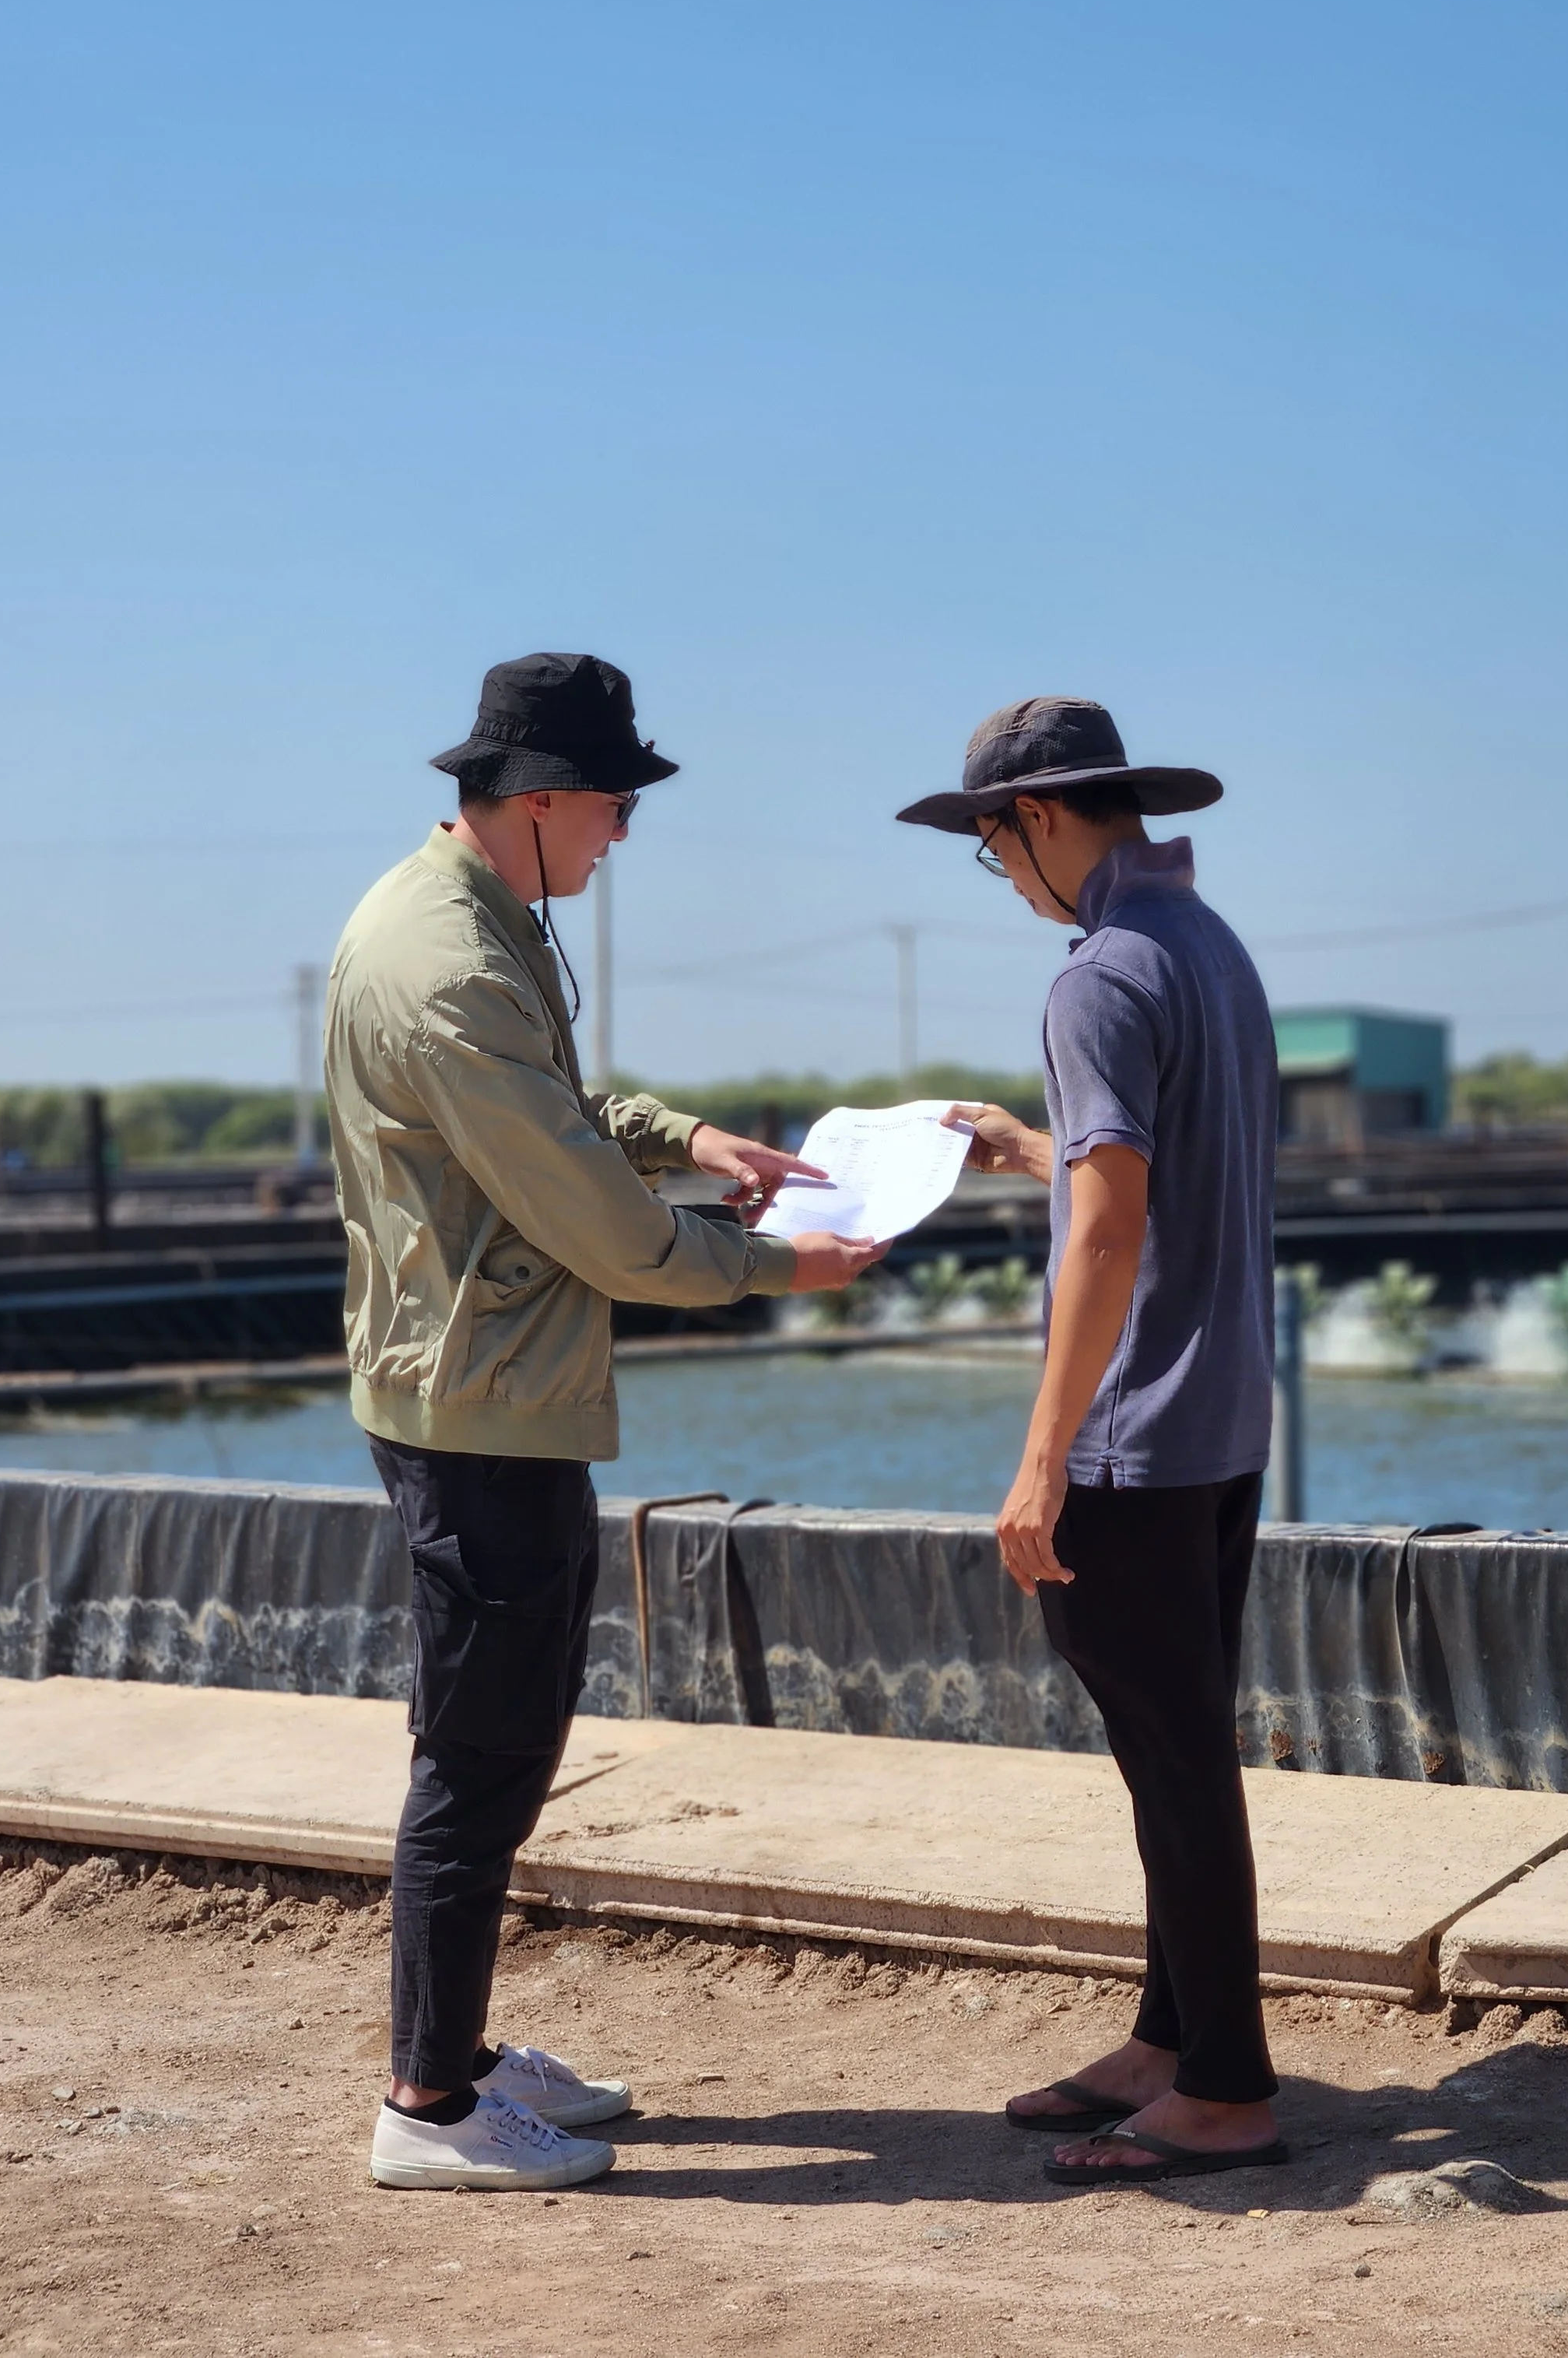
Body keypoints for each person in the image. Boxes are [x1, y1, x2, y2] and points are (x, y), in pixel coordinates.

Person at [328, 651, 882, 2192]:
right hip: (481, 1402)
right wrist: (779, 1270)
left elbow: (564, 1117)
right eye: (617, 804)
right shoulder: (451, 965)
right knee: (478, 1753)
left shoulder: (469, 919)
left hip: (484, 1382)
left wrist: (689, 1136)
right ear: (543, 797)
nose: (626, 833)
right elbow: (596, 1221)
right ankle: (428, 2106)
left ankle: (456, 2054)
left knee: (499, 1737)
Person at [896, 695, 1286, 2186]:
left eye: (994, 848)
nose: (1002, 877)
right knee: (1173, 1745)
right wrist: (1035, 1150)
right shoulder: (1208, 946)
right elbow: (1151, 1173)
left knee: (1174, 1763)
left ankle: (1230, 2089)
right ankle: (1172, 2040)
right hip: (1222, 1416)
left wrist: (1042, 1453)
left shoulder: (1099, 975)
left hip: (1135, 1435)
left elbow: (1111, 1234)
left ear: (1041, 819)